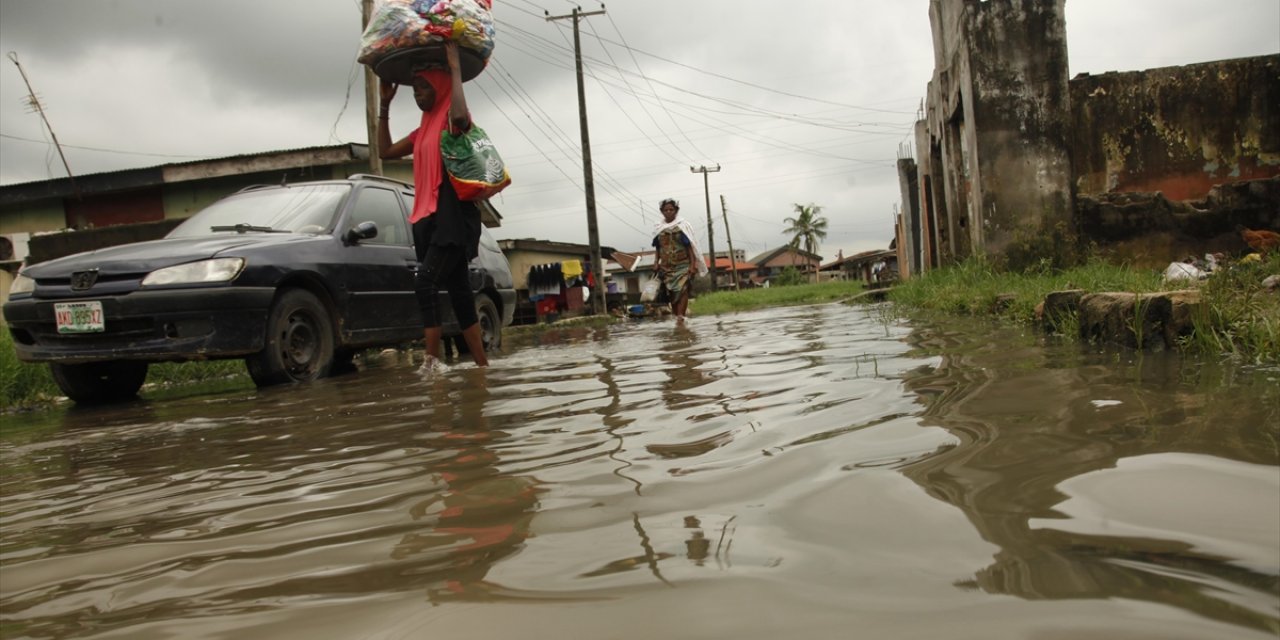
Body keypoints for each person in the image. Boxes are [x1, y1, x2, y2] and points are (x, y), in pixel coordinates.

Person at [378, 42, 488, 371]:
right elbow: (384, 151)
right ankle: (483, 368)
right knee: (459, 293)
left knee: (425, 282)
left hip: (453, 219)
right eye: (415, 89)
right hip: (428, 219)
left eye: (424, 87)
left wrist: (454, 69)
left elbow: (458, 113)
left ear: (439, 87)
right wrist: (385, 106)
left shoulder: (452, 122)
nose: (417, 94)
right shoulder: (422, 129)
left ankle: (431, 365)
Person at [651, 198, 708, 320]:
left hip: (683, 265)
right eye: (666, 210)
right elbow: (657, 248)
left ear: (676, 210)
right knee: (672, 292)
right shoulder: (659, 228)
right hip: (667, 267)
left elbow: (690, 247)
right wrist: (656, 262)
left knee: (682, 290)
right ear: (662, 211)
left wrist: (693, 265)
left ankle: (681, 316)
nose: (668, 212)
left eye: (671, 209)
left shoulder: (683, 226)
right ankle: (677, 317)